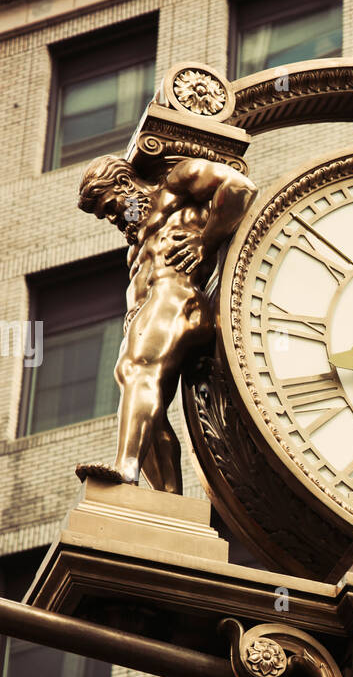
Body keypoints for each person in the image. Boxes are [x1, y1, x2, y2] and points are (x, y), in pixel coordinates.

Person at [76, 154, 256, 493]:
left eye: (112, 206)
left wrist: (205, 241)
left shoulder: (178, 183)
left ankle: (125, 468)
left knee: (136, 369)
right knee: (139, 391)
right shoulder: (136, 242)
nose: (114, 218)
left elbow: (240, 187)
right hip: (156, 312)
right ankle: (167, 499)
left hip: (179, 298)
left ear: (125, 184)